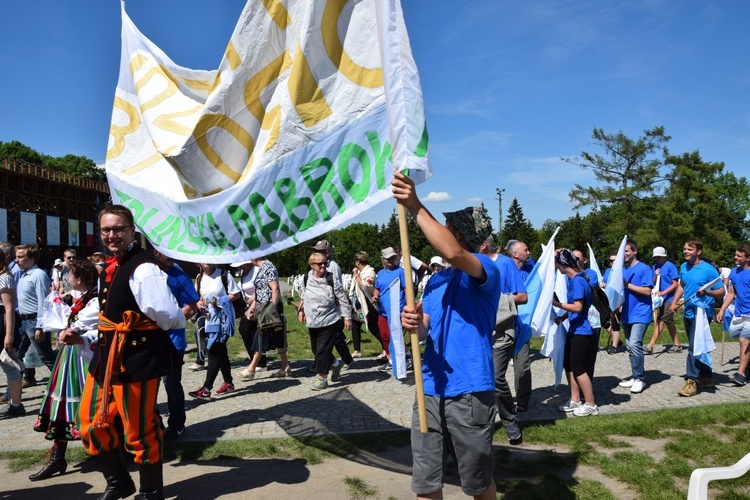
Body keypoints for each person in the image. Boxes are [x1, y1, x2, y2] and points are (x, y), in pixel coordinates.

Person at [395, 172, 501, 500]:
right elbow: (426, 328)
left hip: (470, 393)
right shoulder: (438, 280)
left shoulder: (487, 269)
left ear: (467, 237)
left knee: (477, 483)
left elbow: (455, 254)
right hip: (430, 388)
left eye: (452, 228)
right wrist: (413, 323)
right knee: (426, 481)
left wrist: (414, 206)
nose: (445, 230)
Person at [78, 204, 185, 499]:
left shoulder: (144, 267)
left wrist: (151, 325)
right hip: (105, 357)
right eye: (106, 230)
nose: (112, 235)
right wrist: (77, 328)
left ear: (131, 231)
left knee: (139, 430)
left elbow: (166, 313)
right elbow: (104, 308)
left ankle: (151, 492)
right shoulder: (110, 266)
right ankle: (119, 482)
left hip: (137, 358)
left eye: (118, 229)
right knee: (89, 423)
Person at [30, 259, 99, 481]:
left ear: (78, 279)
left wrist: (70, 328)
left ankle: (112, 449)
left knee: (94, 403)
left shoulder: (95, 300)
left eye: (70, 275)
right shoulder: (81, 299)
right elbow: (62, 319)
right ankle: (58, 456)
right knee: (62, 404)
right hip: (70, 356)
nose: (68, 279)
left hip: (85, 358)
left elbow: (83, 324)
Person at [480, 236, 526, 443]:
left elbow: (522, 296)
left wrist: (494, 301)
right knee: (479, 378)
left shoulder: (506, 264)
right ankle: (481, 422)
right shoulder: (469, 263)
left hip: (500, 332)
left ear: (483, 244)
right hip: (476, 330)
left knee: (497, 378)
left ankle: (509, 420)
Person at [151, 246, 199, 440]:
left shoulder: (179, 276)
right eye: (166, 253)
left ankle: (177, 426)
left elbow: (191, 307)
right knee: (149, 385)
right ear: (155, 252)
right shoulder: (147, 274)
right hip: (148, 341)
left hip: (173, 342)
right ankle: (152, 425)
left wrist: (168, 322)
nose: (171, 257)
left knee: (171, 384)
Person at [669, 238, 724, 397]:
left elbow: (721, 292)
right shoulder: (684, 267)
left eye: (689, 249)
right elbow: (681, 285)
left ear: (698, 251)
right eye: (685, 249)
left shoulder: (709, 270)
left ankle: (692, 381)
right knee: (699, 344)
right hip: (689, 311)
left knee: (694, 346)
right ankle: (706, 377)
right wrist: (674, 303)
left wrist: (707, 292)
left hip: (702, 313)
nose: (685, 251)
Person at [298, 252, 352, 390]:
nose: (323, 266)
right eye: (319, 263)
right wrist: (301, 310)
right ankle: (335, 363)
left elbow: (342, 298)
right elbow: (304, 297)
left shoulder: (331, 279)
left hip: (330, 320)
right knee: (316, 350)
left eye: (325, 263)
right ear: (312, 265)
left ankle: (322, 378)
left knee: (322, 351)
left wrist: (347, 317)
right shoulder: (306, 278)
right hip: (313, 320)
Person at [554, 249, 598, 417]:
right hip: (575, 328)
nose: (556, 267)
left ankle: (591, 404)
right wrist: (563, 317)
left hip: (583, 331)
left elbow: (578, 307)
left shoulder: (578, 281)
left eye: (557, 263)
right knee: (570, 365)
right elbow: (575, 306)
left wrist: (557, 305)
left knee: (579, 368)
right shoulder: (573, 279)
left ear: (563, 264)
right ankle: (575, 399)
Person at [189, 263, 239, 398]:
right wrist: (199, 303)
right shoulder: (199, 277)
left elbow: (236, 294)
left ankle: (206, 389)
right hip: (209, 320)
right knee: (220, 351)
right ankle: (228, 383)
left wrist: (220, 301)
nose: (206, 261)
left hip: (223, 320)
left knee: (214, 351)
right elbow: (198, 297)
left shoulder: (223, 275)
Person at [238, 256, 292, 380]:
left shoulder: (268, 267)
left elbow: (275, 289)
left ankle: (252, 368)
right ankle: (285, 367)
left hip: (269, 308)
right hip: (261, 307)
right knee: (277, 337)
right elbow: (261, 290)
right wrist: (253, 306)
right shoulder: (261, 268)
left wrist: (272, 308)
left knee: (261, 334)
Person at [15, 244, 55, 388]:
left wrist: (40, 326)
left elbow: (43, 302)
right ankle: (12, 390)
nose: (17, 260)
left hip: (34, 322)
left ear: (31, 258)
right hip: (23, 321)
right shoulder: (24, 275)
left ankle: (64, 381)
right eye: (16, 257)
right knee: (16, 356)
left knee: (46, 356)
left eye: (20, 257)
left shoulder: (38, 275)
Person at [617, 240, 654, 394]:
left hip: (641, 312)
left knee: (634, 343)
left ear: (634, 251)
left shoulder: (644, 269)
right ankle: (634, 375)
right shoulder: (624, 270)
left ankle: (640, 378)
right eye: (623, 252)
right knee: (630, 347)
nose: (624, 254)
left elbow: (647, 291)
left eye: (627, 251)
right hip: (626, 312)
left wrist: (627, 285)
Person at [506, 240, 534, 413]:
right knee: (496, 367)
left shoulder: (530, 271)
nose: (529, 252)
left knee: (522, 365)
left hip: (522, 326)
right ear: (515, 254)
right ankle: (499, 399)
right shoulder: (504, 270)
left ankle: (523, 399)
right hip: (503, 325)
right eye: (526, 250)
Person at [717, 244, 750, 386]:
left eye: (738, 255)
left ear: (748, 258)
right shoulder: (734, 272)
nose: (735, 257)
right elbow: (732, 292)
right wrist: (722, 309)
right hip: (739, 313)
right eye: (735, 254)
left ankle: (740, 374)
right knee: (741, 340)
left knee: (744, 341)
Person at [372, 247, 406, 372]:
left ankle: (401, 360)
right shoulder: (380, 273)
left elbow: (406, 289)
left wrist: (407, 307)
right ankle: (390, 359)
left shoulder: (401, 272)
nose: (390, 260)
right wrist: (375, 296)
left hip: (397, 309)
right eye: (388, 258)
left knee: (395, 336)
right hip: (383, 309)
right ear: (383, 260)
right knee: (384, 335)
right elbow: (377, 288)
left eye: (393, 257)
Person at [233, 260, 268, 379]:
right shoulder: (244, 273)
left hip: (261, 304)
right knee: (245, 330)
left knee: (256, 332)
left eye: (243, 264)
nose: (241, 267)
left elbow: (264, 287)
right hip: (249, 306)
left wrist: (253, 299)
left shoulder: (257, 270)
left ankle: (259, 362)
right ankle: (256, 359)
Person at [645, 246, 682, 354]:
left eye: (658, 257)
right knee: (668, 321)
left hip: (670, 298)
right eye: (655, 257)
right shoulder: (655, 266)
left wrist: (663, 292)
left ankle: (651, 345)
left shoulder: (671, 267)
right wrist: (656, 276)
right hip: (659, 299)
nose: (656, 259)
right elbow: (653, 281)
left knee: (662, 320)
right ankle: (677, 344)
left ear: (663, 256)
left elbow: (675, 283)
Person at [0, 255, 23, 417]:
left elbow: (9, 308)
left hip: (2, 323)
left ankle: (16, 404)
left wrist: (9, 334)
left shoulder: (4, 278)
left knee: (9, 365)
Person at [348, 251, 384, 359]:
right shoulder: (361, 271)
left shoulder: (369, 272)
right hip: (358, 303)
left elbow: (364, 286)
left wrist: (356, 275)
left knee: (373, 327)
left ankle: (386, 348)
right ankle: (357, 350)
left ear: (358, 262)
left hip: (368, 304)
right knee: (355, 324)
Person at [603, 251, 623, 354]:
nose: (613, 262)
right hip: (608, 300)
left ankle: (614, 345)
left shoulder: (623, 271)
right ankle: (617, 341)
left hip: (619, 301)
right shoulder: (607, 271)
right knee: (605, 322)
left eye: (615, 260)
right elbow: (607, 284)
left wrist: (622, 303)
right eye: (611, 260)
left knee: (615, 323)